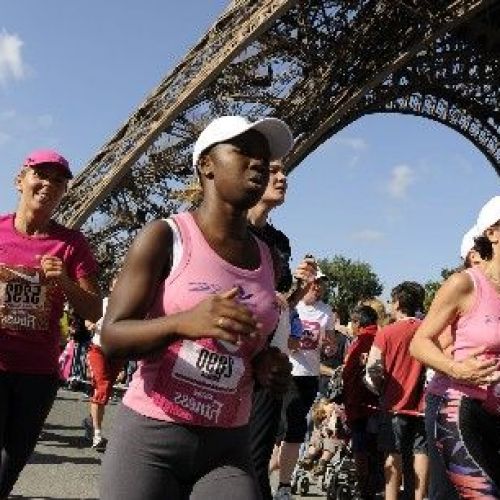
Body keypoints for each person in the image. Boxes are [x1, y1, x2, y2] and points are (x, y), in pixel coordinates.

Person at [99, 115, 295, 500]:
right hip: (153, 435)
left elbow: (242, 348)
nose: (259, 163)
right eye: (243, 151)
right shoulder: (164, 237)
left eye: (264, 157)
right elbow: (112, 336)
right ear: (206, 163)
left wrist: (264, 365)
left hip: (227, 445)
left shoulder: (270, 258)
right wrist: (183, 323)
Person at [0, 149, 101, 499]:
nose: (49, 184)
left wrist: (66, 284)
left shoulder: (72, 244)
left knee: (10, 465)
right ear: (20, 180)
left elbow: (94, 311)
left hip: (38, 375)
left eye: (59, 181)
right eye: (40, 174)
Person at [410, 196, 500, 498]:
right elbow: (419, 342)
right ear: (493, 232)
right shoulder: (465, 284)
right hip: (464, 412)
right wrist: (455, 368)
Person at [246, 159, 315, 500]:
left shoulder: (279, 241)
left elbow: (280, 301)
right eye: (273, 170)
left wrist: (300, 288)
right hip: (227, 355)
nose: (283, 177)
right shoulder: (225, 230)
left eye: (284, 171)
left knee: (256, 461)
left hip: (270, 359)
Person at [423, 226, 482, 500]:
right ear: (473, 255)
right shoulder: (462, 289)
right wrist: (460, 368)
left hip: (484, 404)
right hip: (449, 401)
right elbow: (430, 345)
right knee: (448, 490)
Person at [274, 269, 336, 500]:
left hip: (310, 375)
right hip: (289, 372)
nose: (318, 287)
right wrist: (292, 343)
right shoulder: (293, 307)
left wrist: (328, 347)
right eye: (315, 283)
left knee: (291, 430)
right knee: (290, 429)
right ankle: (281, 484)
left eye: (322, 284)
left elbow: (328, 344)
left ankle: (280, 481)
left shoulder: (326, 311)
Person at [365, 281, 428, 500]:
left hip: (393, 403)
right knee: (421, 451)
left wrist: (380, 388)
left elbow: (373, 369)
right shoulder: (427, 330)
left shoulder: (387, 333)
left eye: (392, 301)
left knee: (393, 453)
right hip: (423, 404)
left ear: (399, 303)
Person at [342, 304, 380, 498]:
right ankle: (375, 483)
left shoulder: (362, 340)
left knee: (361, 444)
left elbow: (348, 372)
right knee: (375, 444)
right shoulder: (381, 337)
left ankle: (364, 486)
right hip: (380, 403)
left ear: (357, 323)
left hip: (360, 403)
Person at [83, 277, 124, 451]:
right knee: (102, 387)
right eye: (116, 284)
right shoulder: (103, 303)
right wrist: (90, 323)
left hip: (117, 353)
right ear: (111, 287)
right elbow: (87, 319)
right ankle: (97, 435)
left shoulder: (130, 306)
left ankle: (90, 422)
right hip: (98, 349)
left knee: (104, 393)